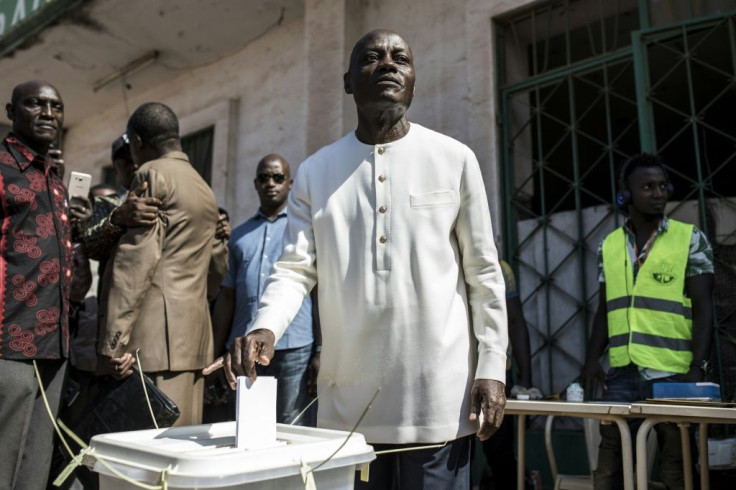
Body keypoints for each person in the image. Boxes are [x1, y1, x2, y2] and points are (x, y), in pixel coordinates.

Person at [207, 30, 508, 488]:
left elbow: (483, 274)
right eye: (372, 57)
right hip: (347, 409)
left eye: (400, 58)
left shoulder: (455, 159)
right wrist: (264, 326)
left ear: (413, 79)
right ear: (347, 82)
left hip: (440, 404)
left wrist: (492, 367)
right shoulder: (315, 171)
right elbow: (294, 268)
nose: (388, 64)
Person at [581, 153, 714, 490]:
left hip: (673, 373)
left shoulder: (690, 239)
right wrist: (591, 361)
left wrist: (698, 365)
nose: (658, 193)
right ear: (625, 195)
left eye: (661, 186)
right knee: (610, 468)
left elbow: (703, 307)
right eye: (647, 187)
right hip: (623, 371)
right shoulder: (609, 246)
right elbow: (604, 310)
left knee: (678, 469)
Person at [98, 102, 228, 426]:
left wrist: (114, 340)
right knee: (181, 455)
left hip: (153, 342)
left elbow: (134, 261)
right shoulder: (204, 188)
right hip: (195, 339)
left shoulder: (151, 173)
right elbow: (215, 273)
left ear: (139, 141)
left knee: (149, 459)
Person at [208, 154, 320, 425]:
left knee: (289, 425)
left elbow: (318, 292)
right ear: (256, 184)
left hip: (294, 347)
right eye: (264, 178)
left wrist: (320, 348)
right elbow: (227, 296)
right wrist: (216, 351)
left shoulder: (303, 231)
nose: (271, 183)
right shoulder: (239, 235)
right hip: (245, 347)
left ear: (290, 183)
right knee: (247, 425)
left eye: (278, 178)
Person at [0, 80, 72, 489]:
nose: (48, 113)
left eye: (56, 106)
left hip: (53, 345)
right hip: (8, 340)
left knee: (34, 464)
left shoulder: (55, 180)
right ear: (11, 112)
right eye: (35, 104)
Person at [481, 259, 541, 490]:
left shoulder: (500, 268)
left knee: (500, 450)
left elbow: (515, 320)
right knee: (456, 449)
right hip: (457, 371)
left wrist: (526, 380)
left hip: (496, 372)